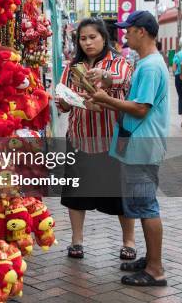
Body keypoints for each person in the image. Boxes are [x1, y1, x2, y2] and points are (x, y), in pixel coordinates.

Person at [89, 10, 169, 287]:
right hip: (135, 143)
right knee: (142, 204)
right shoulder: (146, 62)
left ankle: (156, 269)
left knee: (147, 207)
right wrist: (108, 85)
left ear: (141, 32)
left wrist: (105, 99)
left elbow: (140, 108)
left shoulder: (149, 66)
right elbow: (135, 97)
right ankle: (150, 260)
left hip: (141, 145)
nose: (124, 34)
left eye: (128, 29)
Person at [56, 18, 136, 261]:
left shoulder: (119, 62)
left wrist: (102, 76)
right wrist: (65, 101)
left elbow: (120, 79)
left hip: (112, 140)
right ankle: (76, 241)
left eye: (93, 37)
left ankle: (128, 242)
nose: (88, 42)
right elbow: (63, 99)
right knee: (76, 193)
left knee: (120, 193)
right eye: (83, 38)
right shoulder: (72, 67)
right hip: (80, 138)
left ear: (104, 38)